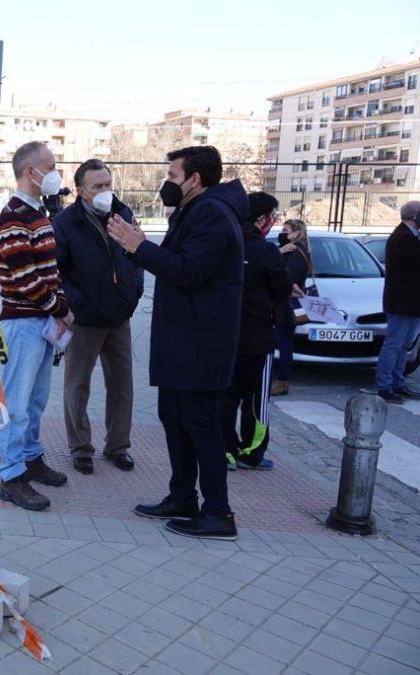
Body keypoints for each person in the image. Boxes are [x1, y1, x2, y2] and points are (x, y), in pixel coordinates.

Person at [108, 145, 245, 541]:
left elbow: (190, 271)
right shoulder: (195, 210)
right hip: (182, 343)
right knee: (174, 418)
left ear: (194, 179)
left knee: (202, 426)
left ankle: (218, 513)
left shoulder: (212, 213)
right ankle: (183, 496)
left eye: (172, 176)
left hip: (200, 347)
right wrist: (143, 246)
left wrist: (139, 248)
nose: (167, 183)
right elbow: (179, 262)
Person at [0, 141, 75, 511]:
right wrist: (60, 309)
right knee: (16, 404)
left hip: (40, 321)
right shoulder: (13, 217)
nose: (56, 173)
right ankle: (10, 475)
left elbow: (49, 271)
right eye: (52, 166)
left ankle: (29, 456)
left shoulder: (37, 213)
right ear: (32, 172)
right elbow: (26, 279)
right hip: (22, 323)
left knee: (36, 401)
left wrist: (58, 310)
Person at [52, 159, 143, 475]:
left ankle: (118, 447)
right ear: (81, 191)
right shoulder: (66, 222)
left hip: (119, 315)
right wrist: (75, 305)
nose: (105, 191)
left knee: (122, 385)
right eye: (97, 186)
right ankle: (81, 449)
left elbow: (137, 256)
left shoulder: (125, 215)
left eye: (108, 184)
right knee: (77, 385)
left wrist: (133, 292)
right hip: (84, 320)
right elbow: (58, 271)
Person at [221, 192, 293, 472]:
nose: (274, 222)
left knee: (225, 397)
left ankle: (225, 450)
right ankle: (251, 453)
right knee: (256, 400)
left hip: (225, 337)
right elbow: (282, 289)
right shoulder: (266, 251)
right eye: (273, 216)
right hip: (258, 339)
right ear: (262, 218)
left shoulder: (226, 243)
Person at [375, 201, 420, 403]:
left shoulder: (411, 236)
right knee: (394, 344)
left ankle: (398, 383)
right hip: (402, 302)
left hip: (411, 302)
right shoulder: (402, 237)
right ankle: (384, 387)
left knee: (404, 345)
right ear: (414, 216)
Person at [272, 219, 312, 396]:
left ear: (296, 232)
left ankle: (282, 381)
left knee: (284, 341)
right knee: (283, 340)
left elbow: (288, 278)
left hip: (287, 303)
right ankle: (281, 379)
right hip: (286, 303)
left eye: (285, 230)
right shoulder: (298, 249)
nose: (283, 233)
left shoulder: (296, 251)